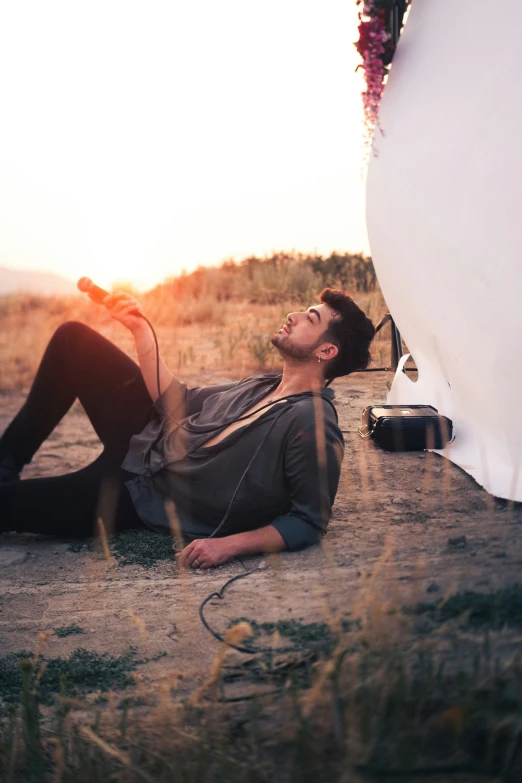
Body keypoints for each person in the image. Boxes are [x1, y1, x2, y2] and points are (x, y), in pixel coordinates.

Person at [0, 288, 375, 569]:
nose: (293, 315)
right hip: (147, 434)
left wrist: (227, 545)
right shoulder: (264, 385)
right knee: (73, 340)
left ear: (327, 352)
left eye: (310, 318)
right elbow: (178, 400)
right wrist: (140, 329)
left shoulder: (311, 424)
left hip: (138, 493)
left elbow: (308, 521)